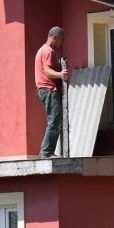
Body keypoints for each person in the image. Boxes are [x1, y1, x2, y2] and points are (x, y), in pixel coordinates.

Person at [35, 26, 69, 158]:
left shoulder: (42, 50)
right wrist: (61, 74)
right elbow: (47, 70)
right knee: (54, 121)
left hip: (45, 90)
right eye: (61, 40)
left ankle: (47, 152)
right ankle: (46, 153)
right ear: (54, 37)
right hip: (49, 89)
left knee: (55, 120)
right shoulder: (48, 51)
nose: (61, 44)